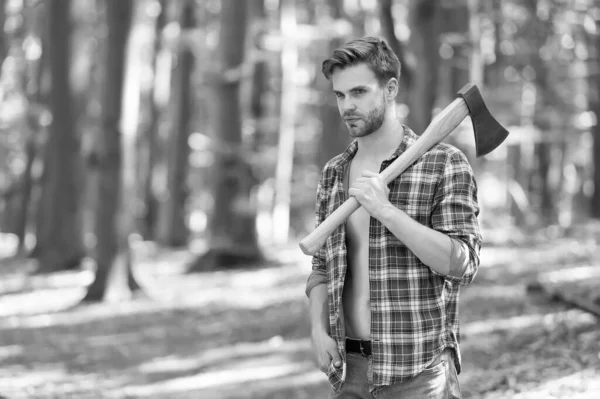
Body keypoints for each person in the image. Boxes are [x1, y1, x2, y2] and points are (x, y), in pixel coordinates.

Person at [305, 36, 482, 398]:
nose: (347, 106)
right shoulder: (334, 173)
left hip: (419, 371)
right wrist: (317, 330)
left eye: (359, 92)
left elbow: (462, 264)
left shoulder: (442, 164)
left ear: (390, 89)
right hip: (348, 370)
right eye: (340, 95)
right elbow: (322, 264)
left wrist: (386, 211)